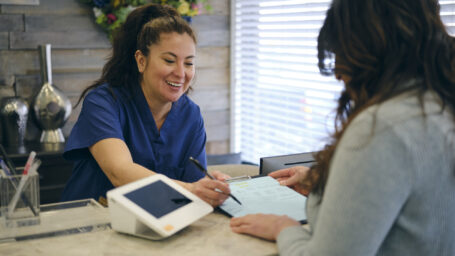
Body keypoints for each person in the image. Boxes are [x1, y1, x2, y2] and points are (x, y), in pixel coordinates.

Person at [230, 0, 455, 255]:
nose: (337, 72)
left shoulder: (381, 128)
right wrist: (323, 184)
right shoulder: (439, 102)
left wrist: (283, 227)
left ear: (368, 48)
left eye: (341, 52)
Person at [61, 4, 230, 207]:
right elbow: (120, 172)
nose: (181, 73)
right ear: (141, 60)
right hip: (89, 225)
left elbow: (195, 185)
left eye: (188, 63)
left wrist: (210, 188)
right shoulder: (103, 103)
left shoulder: (190, 115)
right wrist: (191, 190)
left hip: (158, 224)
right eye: (169, 60)